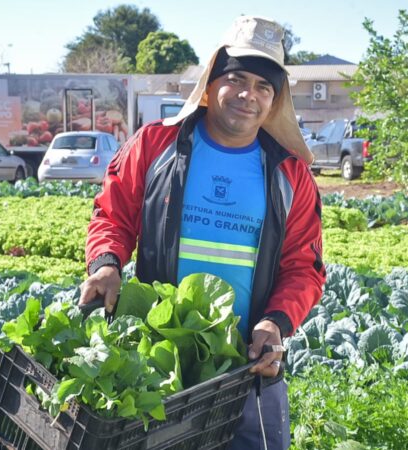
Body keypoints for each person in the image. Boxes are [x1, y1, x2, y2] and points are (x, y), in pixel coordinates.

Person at [79, 16, 324, 449]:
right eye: (237, 79)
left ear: (274, 101)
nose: (249, 94)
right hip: (158, 360)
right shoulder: (155, 146)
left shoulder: (290, 174)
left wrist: (276, 322)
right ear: (210, 84)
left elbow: (304, 267)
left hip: (248, 365)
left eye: (263, 87)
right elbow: (112, 217)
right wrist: (106, 263)